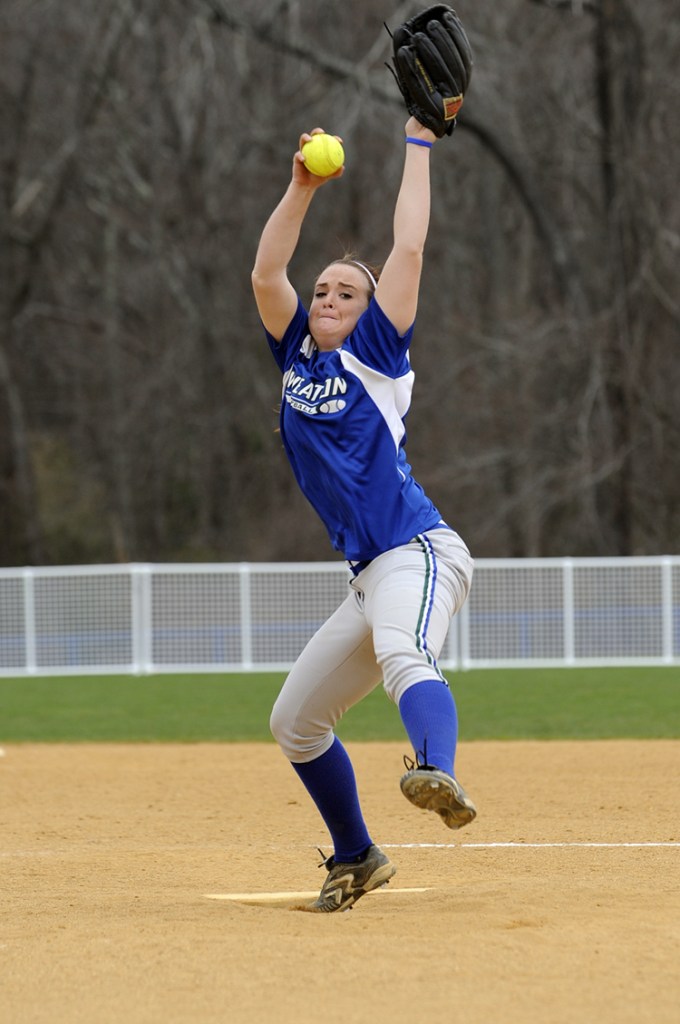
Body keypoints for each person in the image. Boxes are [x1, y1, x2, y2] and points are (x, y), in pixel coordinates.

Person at [251, 117, 476, 913]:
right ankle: (357, 855)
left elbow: (407, 249)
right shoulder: (297, 356)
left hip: (417, 551)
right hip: (367, 573)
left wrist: (419, 143)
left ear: (371, 309)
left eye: (347, 291)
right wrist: (302, 187)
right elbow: (265, 271)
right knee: (295, 721)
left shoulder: (375, 354)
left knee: (402, 653)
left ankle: (437, 768)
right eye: (323, 290)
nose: (328, 297)